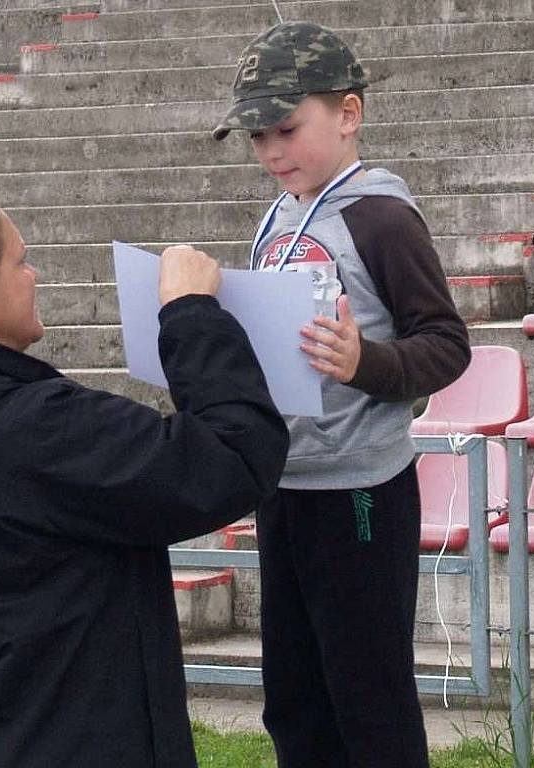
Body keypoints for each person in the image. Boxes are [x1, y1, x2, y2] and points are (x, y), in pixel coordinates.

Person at [0, 182, 289, 767]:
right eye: (20, 261)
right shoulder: (39, 429)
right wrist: (191, 314)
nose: (33, 275)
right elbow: (234, 455)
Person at [213, 22, 471, 768]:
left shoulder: (382, 217)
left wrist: (366, 363)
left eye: (285, 129)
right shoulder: (278, 216)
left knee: (369, 694)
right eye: (256, 136)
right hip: (283, 482)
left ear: (349, 114)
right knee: (293, 694)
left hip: (359, 490)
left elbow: (447, 344)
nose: (269, 152)